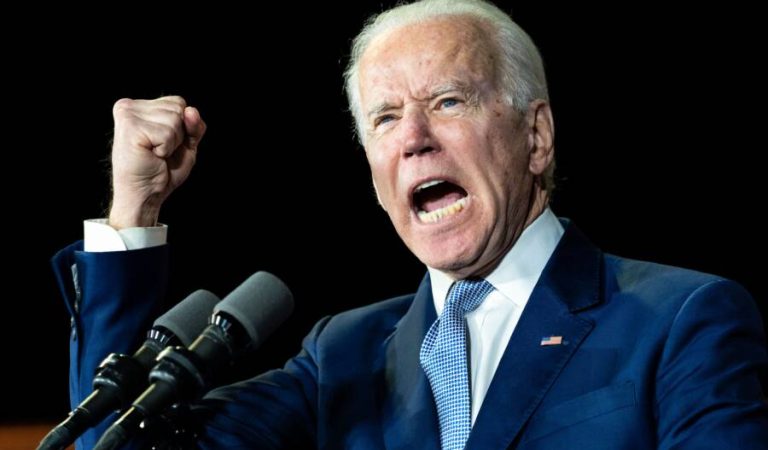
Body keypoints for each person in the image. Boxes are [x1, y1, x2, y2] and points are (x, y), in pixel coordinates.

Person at [53, 0, 768, 448]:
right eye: (386, 118)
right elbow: (115, 445)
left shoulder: (681, 319)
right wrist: (133, 212)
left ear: (537, 137)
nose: (413, 138)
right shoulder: (344, 354)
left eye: (449, 101)